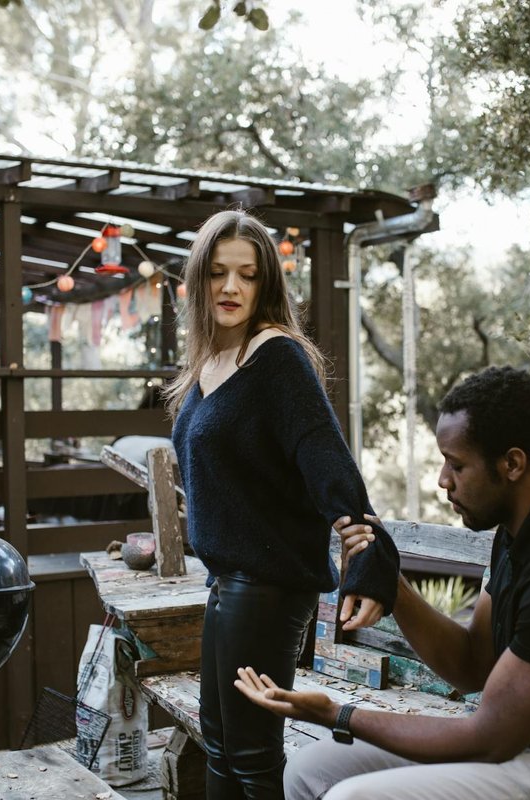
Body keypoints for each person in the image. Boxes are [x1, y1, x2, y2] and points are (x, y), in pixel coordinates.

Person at [234, 366, 530, 800]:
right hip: (527, 750)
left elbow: (488, 738)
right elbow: (472, 664)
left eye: (456, 465)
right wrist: (391, 584)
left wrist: (338, 713)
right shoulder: (515, 538)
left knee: (357, 797)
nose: (442, 480)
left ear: (512, 464)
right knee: (311, 771)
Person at [166, 208, 401, 800]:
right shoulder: (211, 365)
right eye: (218, 273)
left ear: (266, 282)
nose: (230, 288)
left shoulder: (277, 357)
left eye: (246, 275)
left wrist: (370, 559)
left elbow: (327, 460)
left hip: (268, 589)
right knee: (219, 747)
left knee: (249, 756)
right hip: (228, 582)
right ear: (199, 281)